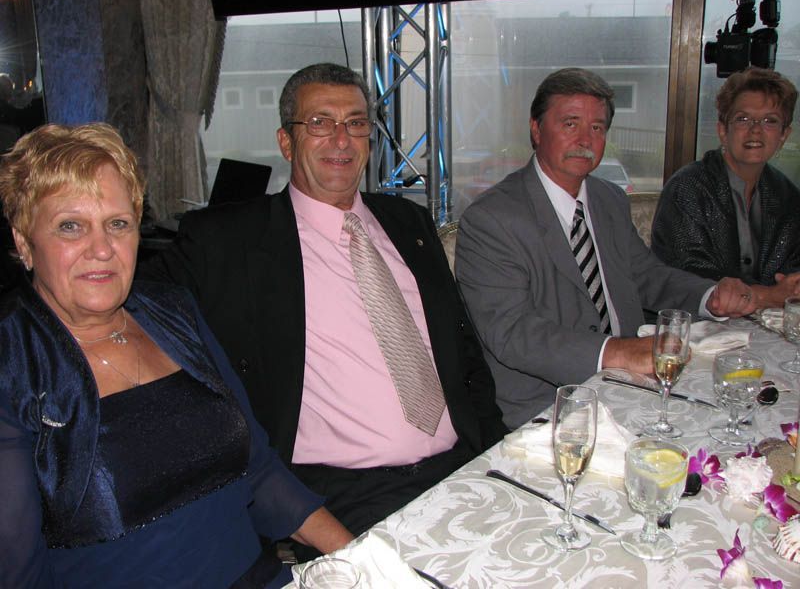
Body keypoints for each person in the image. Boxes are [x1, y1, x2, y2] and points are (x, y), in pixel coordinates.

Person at [140, 63, 508, 542]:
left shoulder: (408, 222)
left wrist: (495, 451)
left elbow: (464, 353)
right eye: (320, 123)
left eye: (356, 123)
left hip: (464, 463)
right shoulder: (227, 241)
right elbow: (125, 301)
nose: (341, 139)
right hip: (347, 494)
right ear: (286, 142)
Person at [0, 123, 353, 588]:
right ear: (24, 242)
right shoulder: (12, 365)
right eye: (71, 227)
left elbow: (260, 471)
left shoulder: (173, 312)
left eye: (117, 224)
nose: (101, 249)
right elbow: (18, 573)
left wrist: (365, 560)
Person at [455, 67, 758, 429]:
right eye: (570, 123)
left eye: (597, 128)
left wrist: (710, 296)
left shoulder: (608, 198)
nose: (585, 139)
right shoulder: (491, 219)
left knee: (738, 417)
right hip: (549, 405)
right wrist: (616, 352)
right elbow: (512, 332)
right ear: (536, 129)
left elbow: (646, 276)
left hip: (632, 384)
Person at [651, 67, 800, 308]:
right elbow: (687, 272)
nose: (755, 130)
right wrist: (766, 295)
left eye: (770, 121)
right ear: (722, 130)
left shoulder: (789, 196)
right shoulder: (687, 187)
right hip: (692, 321)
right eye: (743, 119)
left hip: (769, 323)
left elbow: (793, 270)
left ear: (784, 135)